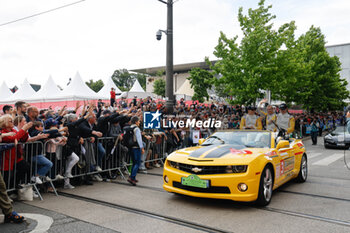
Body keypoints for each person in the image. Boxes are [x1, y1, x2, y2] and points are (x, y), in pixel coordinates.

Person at [127, 116, 144, 186]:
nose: (139, 122)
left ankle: (132, 176)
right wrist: (142, 148)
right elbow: (139, 140)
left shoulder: (130, 128)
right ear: (136, 122)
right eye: (139, 121)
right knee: (137, 163)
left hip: (130, 147)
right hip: (136, 148)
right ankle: (132, 177)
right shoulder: (137, 129)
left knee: (134, 163)